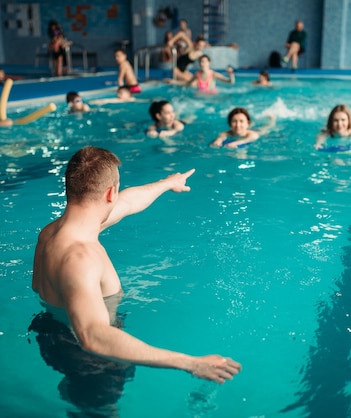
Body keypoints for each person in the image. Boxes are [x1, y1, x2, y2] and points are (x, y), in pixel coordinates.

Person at [31, 146, 242, 384]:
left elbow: (129, 202)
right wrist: (192, 363)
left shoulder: (51, 233)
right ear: (110, 193)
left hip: (53, 334)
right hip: (91, 360)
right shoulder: (81, 259)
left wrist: (166, 183)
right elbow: (93, 336)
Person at [211, 107, 276, 148]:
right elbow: (221, 136)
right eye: (234, 121)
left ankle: (272, 119)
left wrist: (234, 143)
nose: (238, 125)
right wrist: (218, 140)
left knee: (267, 127)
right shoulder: (227, 133)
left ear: (248, 123)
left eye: (241, 121)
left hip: (257, 131)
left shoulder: (253, 135)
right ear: (230, 123)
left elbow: (248, 139)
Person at [166, 54, 234, 94]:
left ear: (209, 63)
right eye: (201, 62)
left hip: (211, 97)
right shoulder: (197, 75)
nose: (202, 63)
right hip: (200, 97)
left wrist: (231, 75)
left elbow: (230, 82)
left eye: (204, 61)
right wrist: (173, 82)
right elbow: (187, 83)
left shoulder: (213, 74)